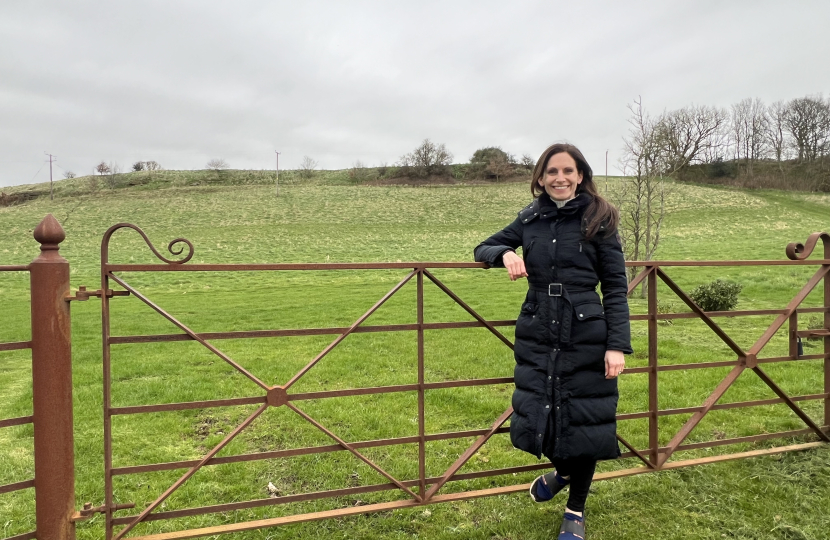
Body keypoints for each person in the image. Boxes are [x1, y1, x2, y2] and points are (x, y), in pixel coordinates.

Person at [474, 143, 632, 540]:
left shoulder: (600, 217)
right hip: (539, 328)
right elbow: (483, 247)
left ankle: (575, 509)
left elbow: (614, 287)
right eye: (551, 172)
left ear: (580, 175)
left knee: (584, 419)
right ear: (540, 178)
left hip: (585, 331)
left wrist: (617, 344)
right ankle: (562, 470)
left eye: (567, 171)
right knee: (547, 408)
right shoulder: (531, 218)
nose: (559, 178)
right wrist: (506, 253)